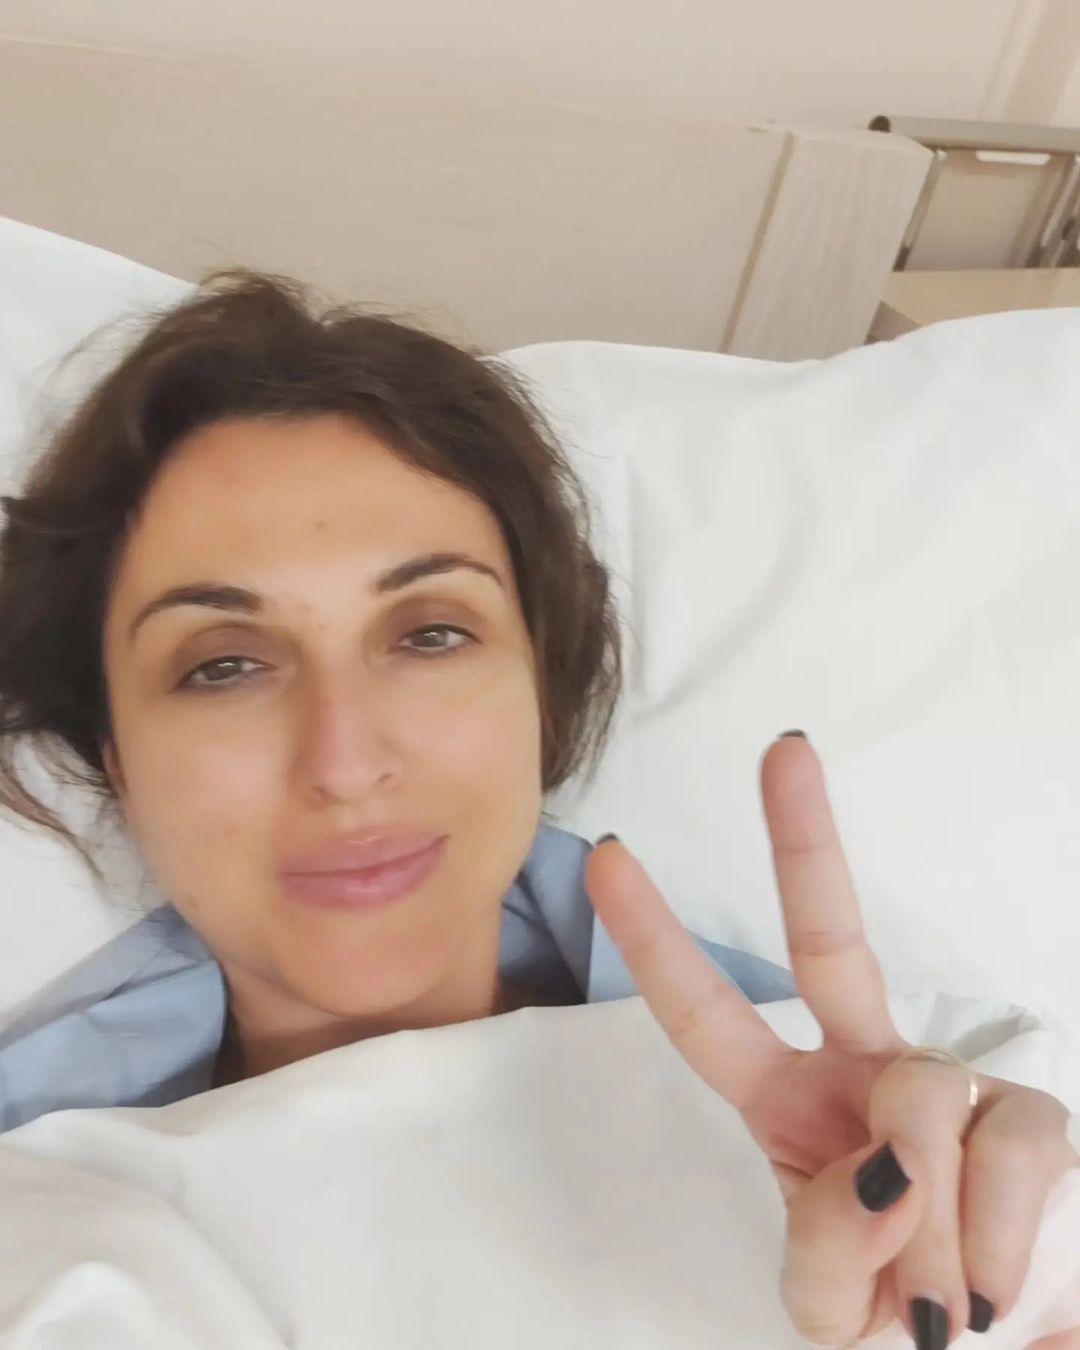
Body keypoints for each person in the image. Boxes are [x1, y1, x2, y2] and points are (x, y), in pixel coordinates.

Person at [0, 272, 1074, 1350]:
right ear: (117, 761)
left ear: (543, 696)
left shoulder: (878, 1112)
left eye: (430, 634)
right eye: (224, 664)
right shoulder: (44, 1211)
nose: (345, 761)